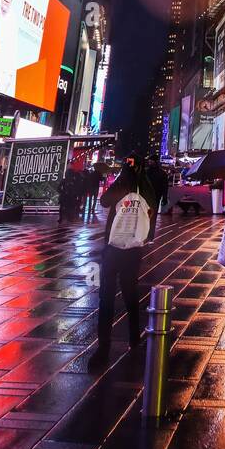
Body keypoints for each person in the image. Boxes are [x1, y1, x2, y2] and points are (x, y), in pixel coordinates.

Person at [90, 157, 157, 371]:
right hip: (117, 246)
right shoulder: (133, 183)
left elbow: (152, 206)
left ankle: (133, 336)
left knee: (127, 293)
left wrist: (130, 179)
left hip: (129, 248)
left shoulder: (142, 184)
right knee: (109, 295)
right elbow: (105, 201)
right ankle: (105, 345)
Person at [146, 157, 169, 235]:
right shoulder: (147, 172)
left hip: (153, 196)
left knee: (151, 215)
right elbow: (165, 187)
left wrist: (164, 198)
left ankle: (150, 232)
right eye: (149, 162)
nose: (150, 163)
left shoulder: (161, 173)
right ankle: (149, 232)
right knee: (150, 215)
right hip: (150, 196)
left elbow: (165, 187)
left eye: (151, 161)